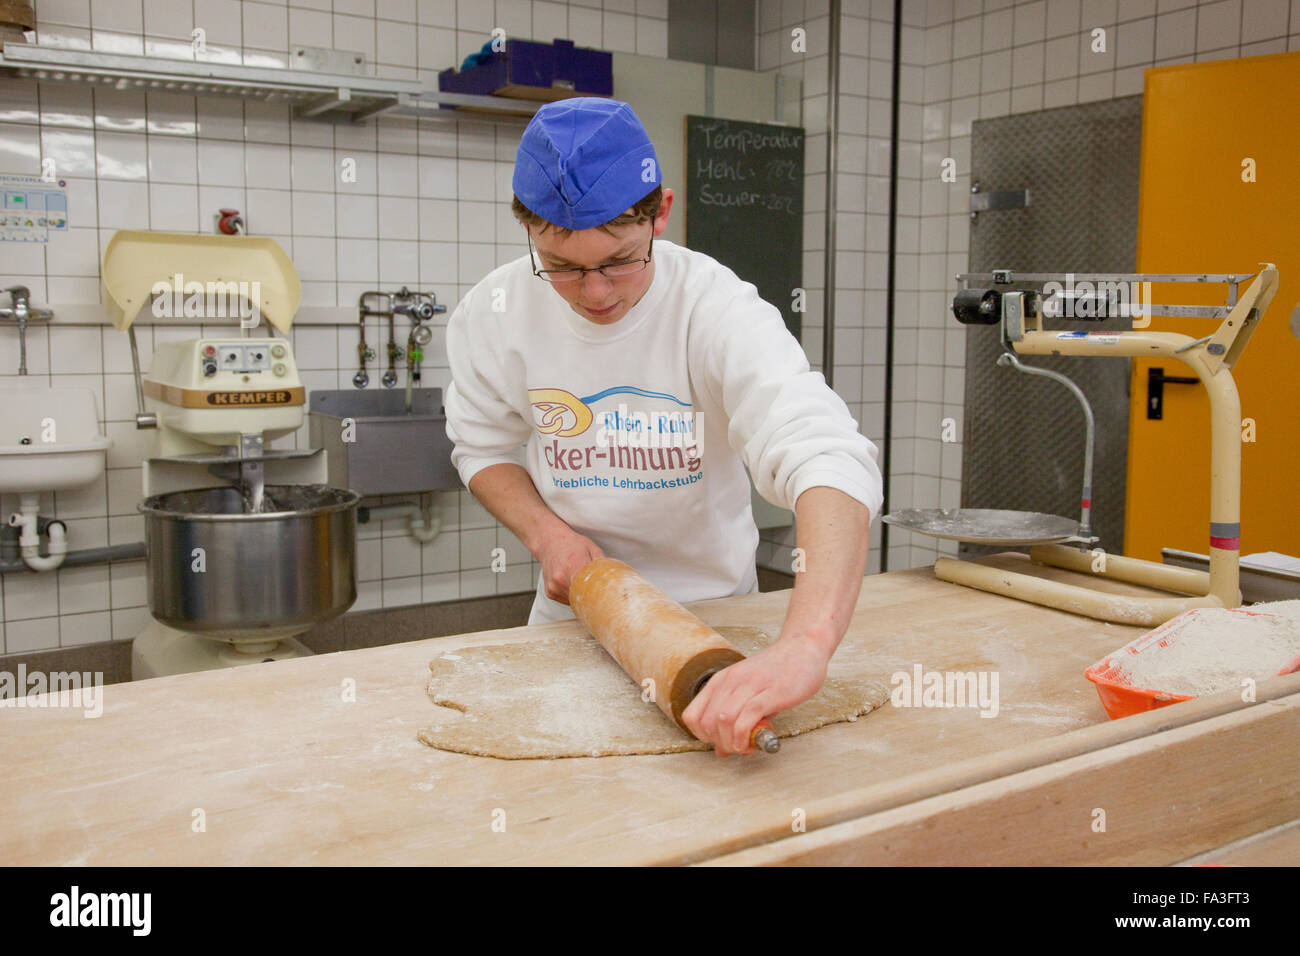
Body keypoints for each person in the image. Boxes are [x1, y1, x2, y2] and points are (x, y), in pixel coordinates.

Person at [444, 97, 883, 756]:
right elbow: (481, 446)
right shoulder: (494, 312)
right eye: (562, 267)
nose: (596, 293)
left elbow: (824, 452)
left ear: (662, 212)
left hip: (716, 619)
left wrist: (804, 644)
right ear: (528, 232)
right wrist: (548, 536)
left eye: (620, 259)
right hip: (573, 621)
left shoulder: (714, 307)